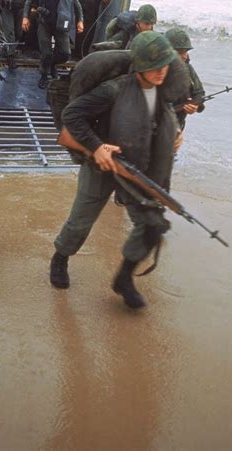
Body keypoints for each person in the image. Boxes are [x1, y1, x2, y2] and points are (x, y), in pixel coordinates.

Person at [50, 31, 182, 310]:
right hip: (101, 164)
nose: (161, 72)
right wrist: (97, 147)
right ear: (140, 66)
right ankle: (60, 257)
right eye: (154, 66)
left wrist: (176, 132)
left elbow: (160, 121)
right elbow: (72, 115)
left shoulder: (161, 92)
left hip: (137, 166)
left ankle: (124, 277)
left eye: (165, 65)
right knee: (80, 221)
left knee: (151, 224)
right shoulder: (115, 89)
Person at [22, 0, 84, 88]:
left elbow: (78, 6)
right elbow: (29, 1)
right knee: (46, 53)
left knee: (65, 53)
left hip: (61, 25)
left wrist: (80, 20)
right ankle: (44, 74)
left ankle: (52, 65)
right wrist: (25, 17)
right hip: (45, 23)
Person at [165, 28, 205, 130]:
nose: (184, 56)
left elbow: (199, 94)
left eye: (186, 51)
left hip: (176, 125)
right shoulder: (155, 70)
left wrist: (195, 107)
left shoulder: (187, 69)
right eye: (180, 52)